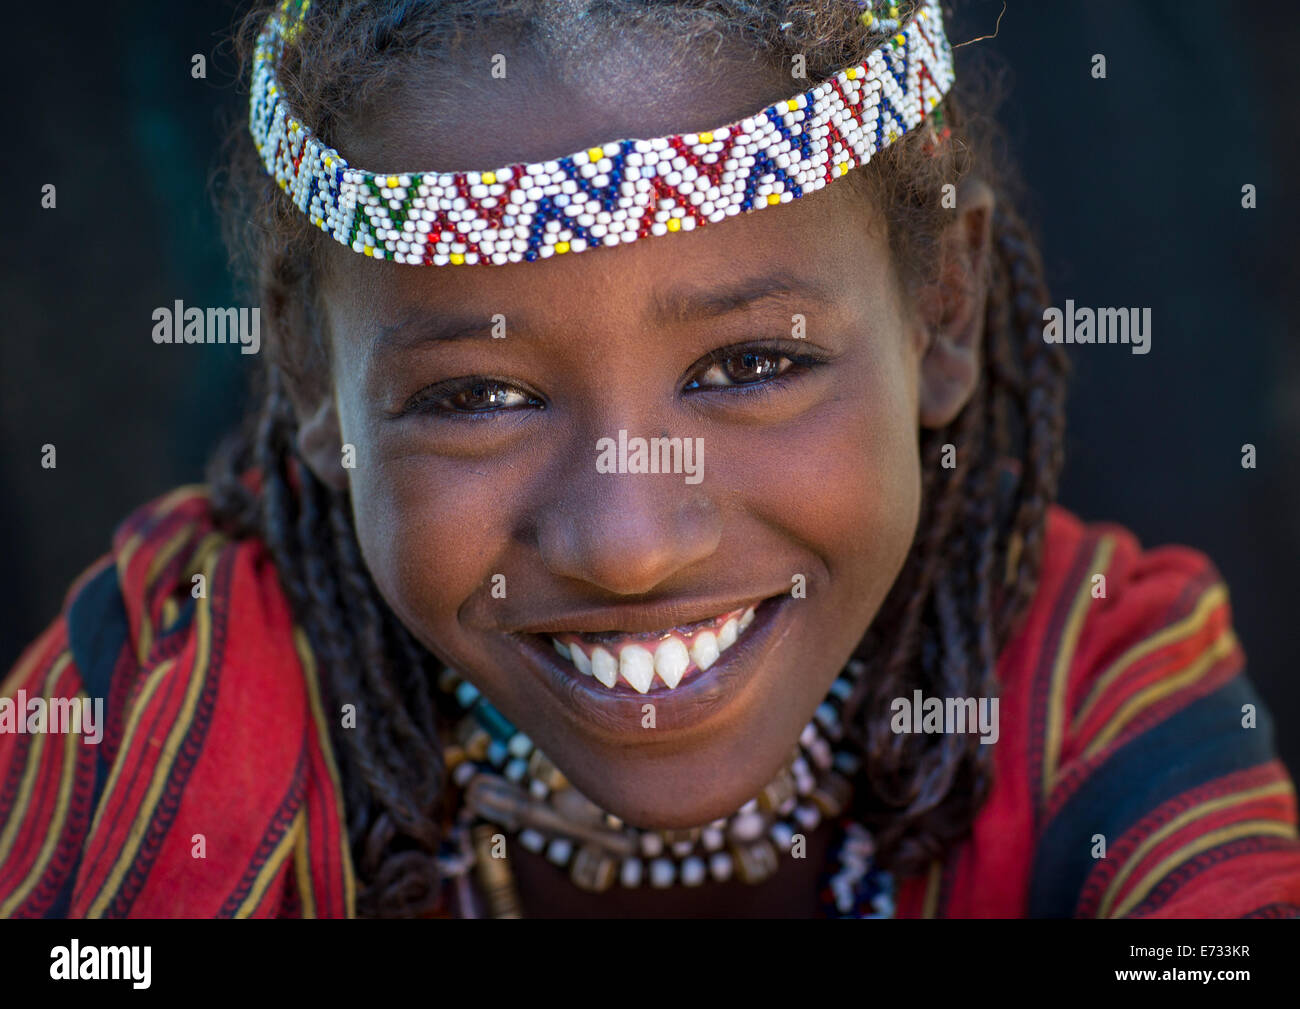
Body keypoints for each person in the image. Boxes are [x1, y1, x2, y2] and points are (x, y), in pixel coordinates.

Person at [2, 0, 1297, 918]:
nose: (628, 543)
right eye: (474, 394)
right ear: (309, 382)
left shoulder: (1095, 687)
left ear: (941, 310)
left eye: (749, 366)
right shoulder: (156, 710)